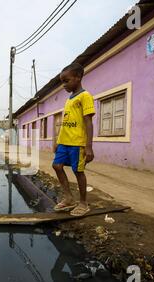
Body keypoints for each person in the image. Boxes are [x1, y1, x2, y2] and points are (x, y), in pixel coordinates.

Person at [52, 63, 95, 216]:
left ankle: (83, 203)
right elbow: (65, 123)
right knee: (57, 166)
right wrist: (58, 141)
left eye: (66, 81)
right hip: (64, 142)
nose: (63, 85)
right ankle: (69, 198)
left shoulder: (85, 96)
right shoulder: (69, 100)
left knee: (78, 171)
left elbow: (88, 122)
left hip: (78, 143)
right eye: (62, 81)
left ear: (78, 78)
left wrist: (89, 147)